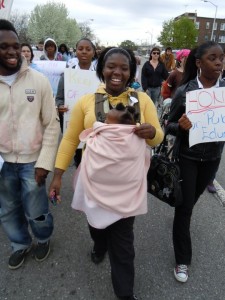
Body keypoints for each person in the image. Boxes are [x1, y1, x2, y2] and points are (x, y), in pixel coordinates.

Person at [49, 47, 164, 300]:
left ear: (131, 72)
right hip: (94, 184)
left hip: (128, 188)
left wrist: (151, 133)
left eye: (124, 68)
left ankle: (125, 295)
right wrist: (57, 175)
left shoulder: (142, 100)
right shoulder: (87, 102)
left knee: (123, 245)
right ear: (101, 69)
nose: (117, 72)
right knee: (97, 227)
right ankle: (99, 244)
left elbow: (158, 138)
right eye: (111, 66)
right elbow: (69, 140)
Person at [0, 19, 60, 270]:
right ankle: (20, 244)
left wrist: (45, 162)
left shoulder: (39, 81)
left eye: (15, 45)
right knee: (8, 210)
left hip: (32, 161)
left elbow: (52, 124)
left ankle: (43, 238)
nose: (12, 51)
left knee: (37, 210)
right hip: (2, 163)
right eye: (4, 46)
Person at [167, 41, 225, 283]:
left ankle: (183, 214)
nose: (220, 62)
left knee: (192, 200)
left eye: (222, 58)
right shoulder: (185, 91)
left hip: (212, 159)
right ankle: (183, 260)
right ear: (199, 63)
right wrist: (180, 127)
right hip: (188, 157)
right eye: (213, 58)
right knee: (185, 208)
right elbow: (167, 126)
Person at [56, 38, 97, 167]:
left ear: (93, 52)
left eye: (88, 49)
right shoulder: (67, 75)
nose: (84, 52)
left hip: (94, 123)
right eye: (80, 49)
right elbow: (59, 98)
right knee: (79, 156)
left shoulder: (100, 75)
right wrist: (59, 107)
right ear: (76, 52)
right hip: (73, 121)